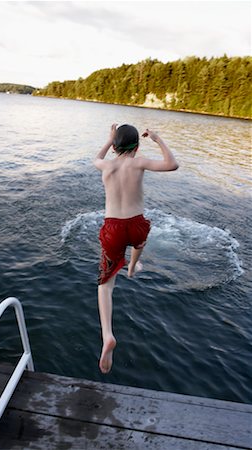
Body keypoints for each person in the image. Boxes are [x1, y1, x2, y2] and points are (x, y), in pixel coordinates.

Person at [93, 123, 179, 374]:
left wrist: (109, 139)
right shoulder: (139, 162)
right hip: (136, 224)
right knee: (141, 240)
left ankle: (107, 335)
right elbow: (172, 164)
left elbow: (95, 158)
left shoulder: (106, 165)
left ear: (115, 146)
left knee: (105, 285)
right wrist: (158, 138)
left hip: (113, 228)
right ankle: (132, 267)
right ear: (137, 146)